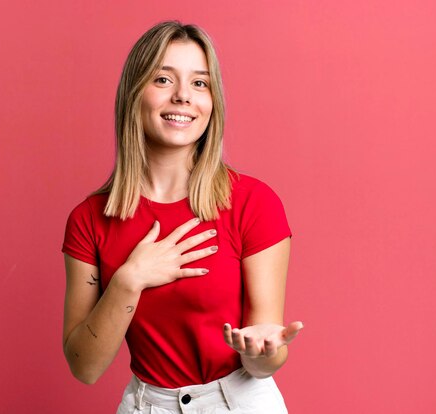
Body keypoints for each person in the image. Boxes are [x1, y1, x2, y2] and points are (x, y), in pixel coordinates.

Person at [62, 21, 303, 413]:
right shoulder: (89, 220)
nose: (182, 97)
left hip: (238, 401)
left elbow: (265, 357)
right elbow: (84, 367)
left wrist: (263, 352)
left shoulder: (253, 202)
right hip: (146, 404)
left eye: (199, 84)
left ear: (213, 101)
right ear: (134, 92)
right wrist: (129, 279)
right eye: (162, 79)